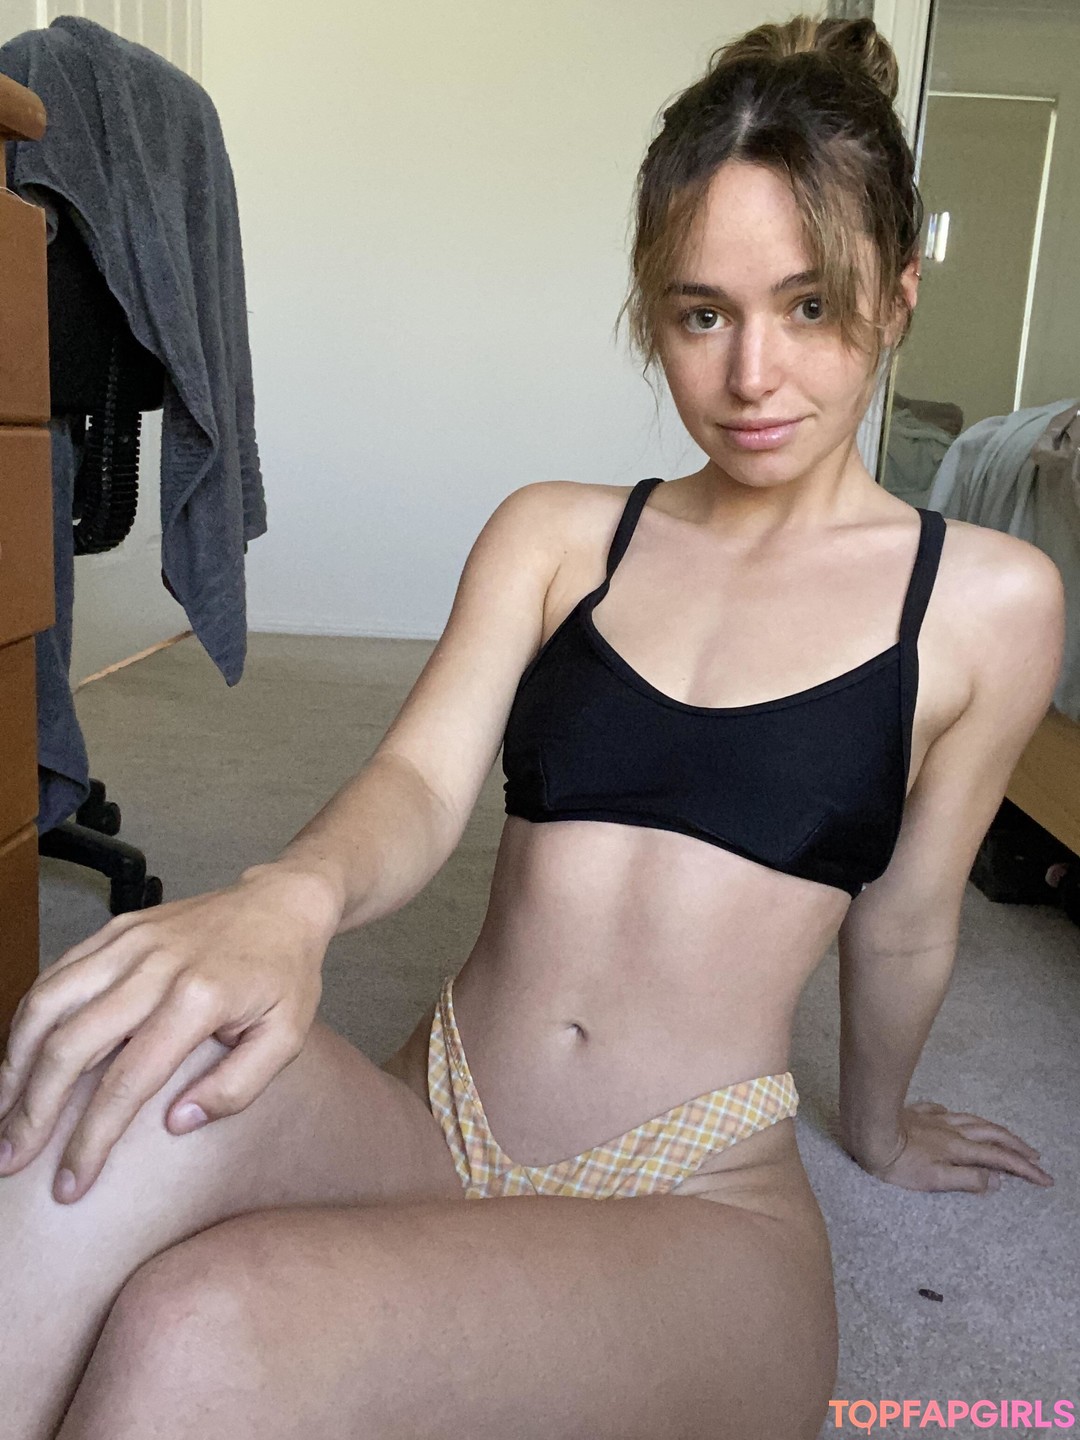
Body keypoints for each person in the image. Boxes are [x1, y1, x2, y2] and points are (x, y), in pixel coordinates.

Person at [0, 13, 1064, 1440]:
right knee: (118, 1069)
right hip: (432, 1120)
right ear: (652, 311)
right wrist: (289, 898)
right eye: (702, 313)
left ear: (900, 292)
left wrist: (878, 1131)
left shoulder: (986, 600)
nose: (753, 374)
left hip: (700, 1213)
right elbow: (420, 780)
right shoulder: (559, 537)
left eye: (810, 306)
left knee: (206, 1327)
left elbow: (912, 920)